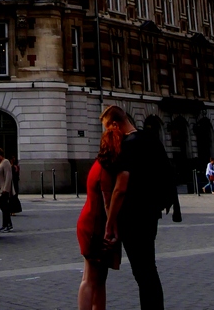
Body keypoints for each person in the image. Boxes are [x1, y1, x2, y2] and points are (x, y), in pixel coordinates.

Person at [76, 105, 179, 310]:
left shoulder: (128, 145)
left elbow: (119, 189)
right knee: (149, 269)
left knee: (142, 273)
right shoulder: (151, 138)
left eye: (107, 127)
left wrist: (112, 221)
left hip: (133, 217)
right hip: (151, 215)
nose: (107, 132)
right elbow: (166, 172)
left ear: (115, 124)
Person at [0, 149, 14, 233]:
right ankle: (4, 225)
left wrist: (6, 189)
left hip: (3, 190)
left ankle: (8, 225)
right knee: (2, 207)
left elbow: (8, 176)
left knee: (5, 208)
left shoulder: (6, 162)